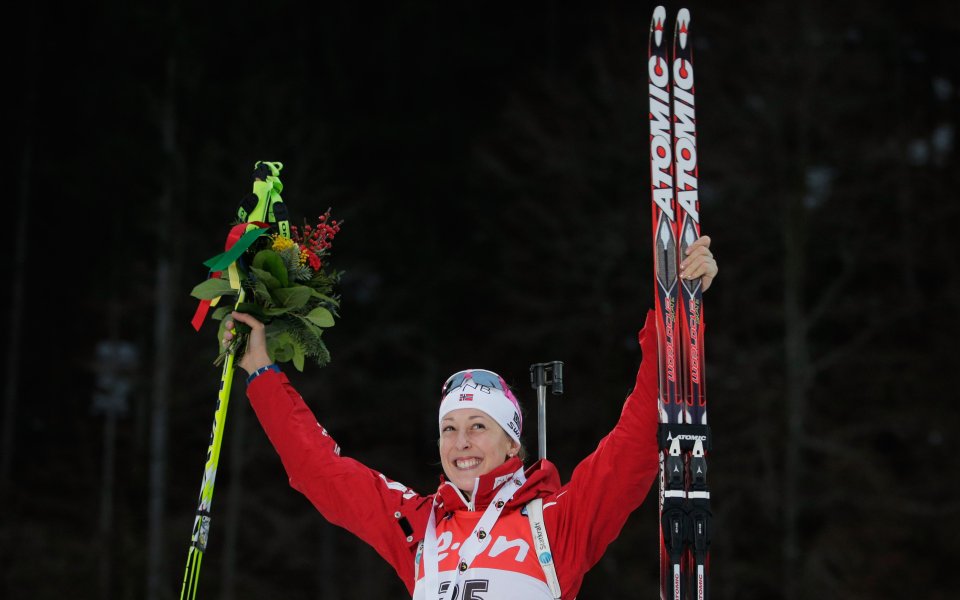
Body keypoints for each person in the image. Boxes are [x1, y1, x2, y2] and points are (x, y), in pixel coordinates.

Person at [224, 237, 718, 599]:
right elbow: (320, 470)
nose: (460, 442)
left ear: (511, 445)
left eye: (478, 426)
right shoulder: (419, 528)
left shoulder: (557, 524)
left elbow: (633, 444)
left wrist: (673, 314)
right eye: (449, 429)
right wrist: (261, 372)